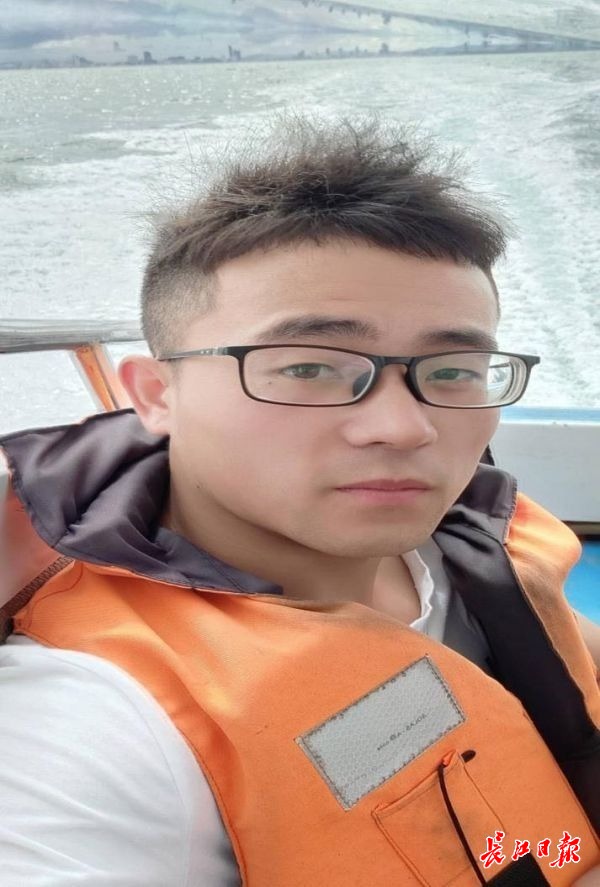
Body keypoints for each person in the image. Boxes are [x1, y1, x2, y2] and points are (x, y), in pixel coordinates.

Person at [0, 117, 599, 886]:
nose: (403, 427)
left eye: (452, 370)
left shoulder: (471, 531)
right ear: (156, 394)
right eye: (309, 367)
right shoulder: (104, 718)